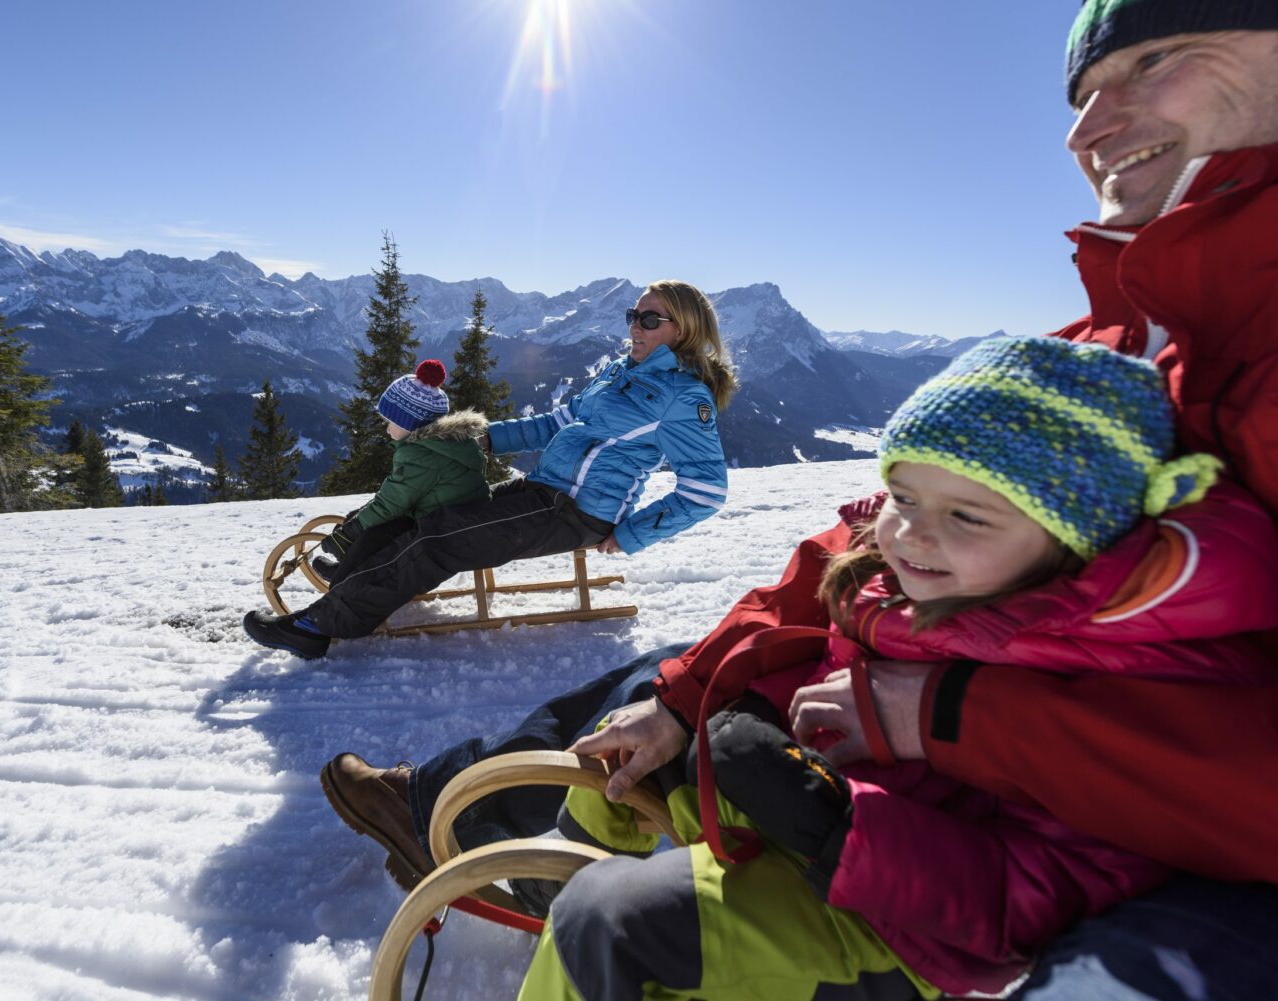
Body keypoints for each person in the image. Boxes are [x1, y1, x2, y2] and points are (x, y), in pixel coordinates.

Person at [325, 4, 1278, 998]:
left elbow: (701, 479)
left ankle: (565, 874)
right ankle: (483, 823)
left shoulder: (682, 388)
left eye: (1154, 60)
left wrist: (941, 717)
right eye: (1082, 93)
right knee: (680, 677)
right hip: (964, 703)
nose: (1085, 130)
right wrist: (700, 682)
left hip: (1141, 836)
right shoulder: (1113, 340)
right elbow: (875, 528)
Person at [514, 336, 1278, 999]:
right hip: (807, 826)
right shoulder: (905, 582)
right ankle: (541, 908)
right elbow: (823, 658)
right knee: (632, 756)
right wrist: (736, 713)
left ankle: (582, 943)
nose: (910, 533)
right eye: (903, 494)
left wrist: (841, 828)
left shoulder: (1099, 660)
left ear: (1069, 537)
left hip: (890, 925)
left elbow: (1055, 885)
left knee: (607, 922)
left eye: (968, 514)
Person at [244, 279, 737, 659]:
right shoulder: (620, 371)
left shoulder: (684, 397)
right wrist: (486, 436)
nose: (635, 326)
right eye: (634, 315)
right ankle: (360, 574)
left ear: (683, 328)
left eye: (650, 319)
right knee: (433, 511)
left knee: (439, 537)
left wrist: (629, 535)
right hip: (544, 491)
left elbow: (705, 491)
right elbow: (561, 421)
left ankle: (320, 626)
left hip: (576, 512)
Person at [281, 359, 489, 590]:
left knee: (378, 533)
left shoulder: (421, 455)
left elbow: (391, 504)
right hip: (450, 517)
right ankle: (349, 566)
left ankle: (349, 582)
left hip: (445, 529)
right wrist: (356, 522)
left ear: (411, 423)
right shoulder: (437, 444)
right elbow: (396, 498)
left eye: (391, 422)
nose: (387, 428)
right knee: (364, 519)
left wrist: (352, 531)